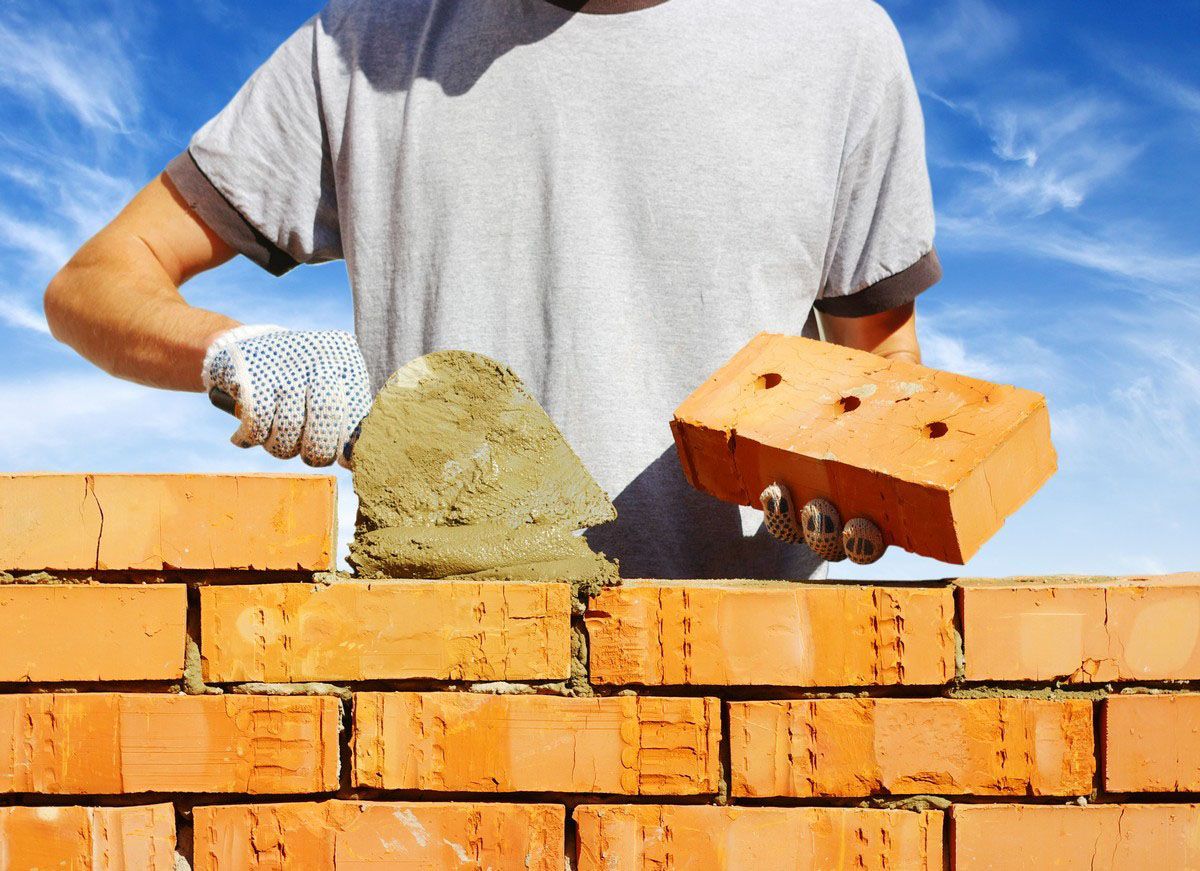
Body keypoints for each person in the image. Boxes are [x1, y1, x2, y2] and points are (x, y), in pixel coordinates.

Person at [43, 0, 937, 580]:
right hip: (444, 686)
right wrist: (236, 353)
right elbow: (93, 283)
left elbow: (884, 361)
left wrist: (859, 469)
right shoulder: (363, 45)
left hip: (734, 702)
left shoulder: (838, 45)